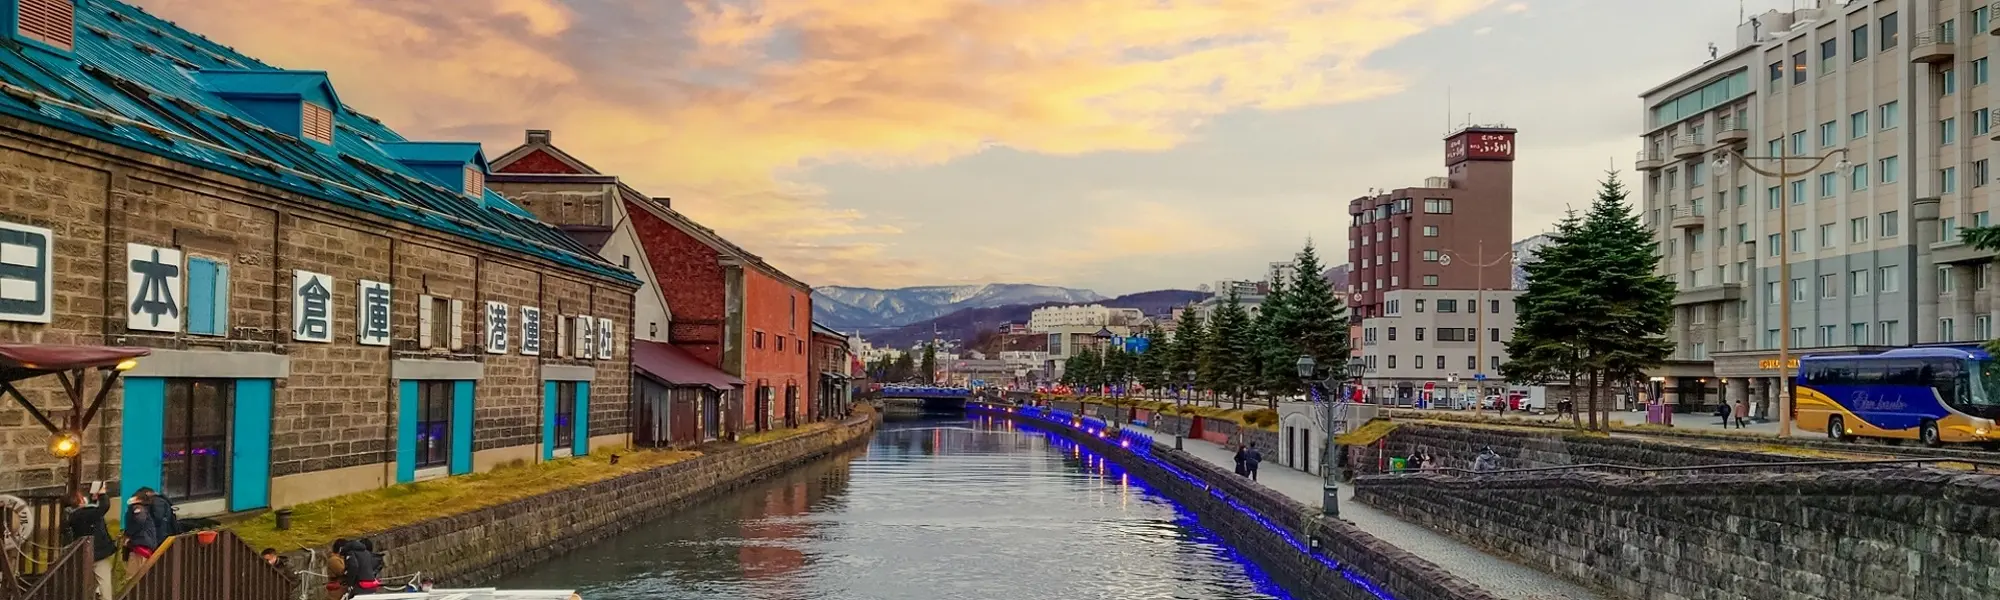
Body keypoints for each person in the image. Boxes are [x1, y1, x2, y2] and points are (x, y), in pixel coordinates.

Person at [63, 489, 116, 600]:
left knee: (88, 582)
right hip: (98, 552)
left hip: (83, 553)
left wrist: (94, 499)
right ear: (80, 501)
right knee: (104, 581)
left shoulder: (72, 516)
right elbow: (104, 507)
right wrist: (102, 494)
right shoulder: (87, 513)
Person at [121, 496, 160, 571]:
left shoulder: (138, 508)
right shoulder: (145, 509)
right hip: (142, 545)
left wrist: (128, 535)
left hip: (139, 546)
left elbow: (139, 521)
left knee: (134, 575)